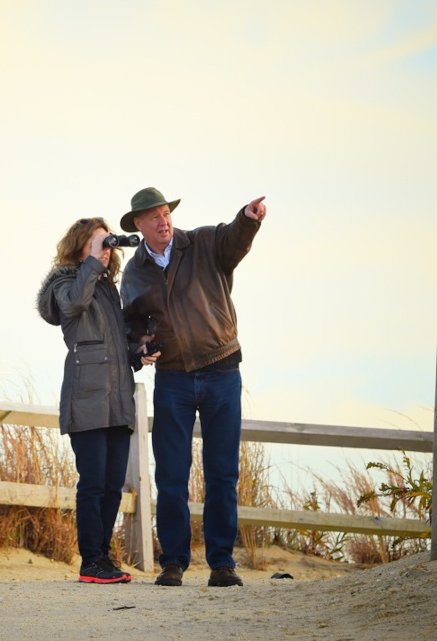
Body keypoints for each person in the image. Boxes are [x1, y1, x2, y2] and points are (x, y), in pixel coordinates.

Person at [119, 187, 266, 587]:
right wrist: (140, 346)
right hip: (172, 379)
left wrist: (248, 219)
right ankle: (173, 563)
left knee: (222, 474)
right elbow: (131, 322)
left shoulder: (202, 242)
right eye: (154, 217)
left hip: (221, 371)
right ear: (138, 225)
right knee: (170, 476)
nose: (163, 221)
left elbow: (233, 239)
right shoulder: (134, 272)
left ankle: (222, 564)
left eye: (166, 213)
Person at [36, 217, 158, 584]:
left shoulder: (106, 288)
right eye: (98, 242)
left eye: (108, 244)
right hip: (86, 397)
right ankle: (90, 560)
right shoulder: (65, 282)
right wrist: (91, 263)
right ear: (81, 246)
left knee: (111, 486)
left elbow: (111, 343)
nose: (106, 250)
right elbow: (72, 307)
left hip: (117, 401)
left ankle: (102, 559)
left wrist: (137, 352)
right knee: (91, 484)